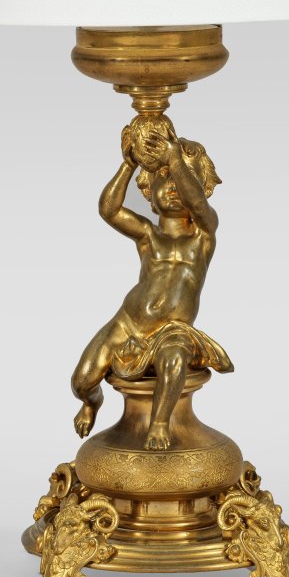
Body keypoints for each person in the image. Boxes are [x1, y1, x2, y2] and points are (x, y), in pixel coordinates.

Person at [71, 121, 232, 451]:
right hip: (127, 324)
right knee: (81, 380)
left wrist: (174, 159)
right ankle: (91, 403)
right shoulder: (148, 235)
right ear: (150, 189)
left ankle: (159, 425)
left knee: (174, 362)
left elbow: (199, 208)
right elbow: (108, 210)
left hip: (173, 331)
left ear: (198, 187)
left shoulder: (203, 236)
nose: (173, 186)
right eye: (165, 178)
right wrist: (129, 163)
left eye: (182, 180)